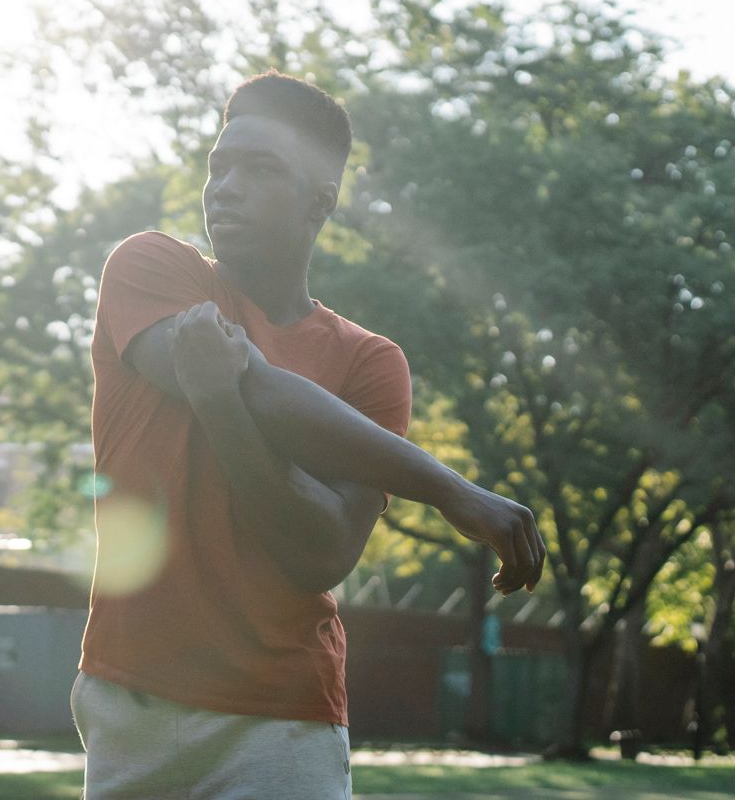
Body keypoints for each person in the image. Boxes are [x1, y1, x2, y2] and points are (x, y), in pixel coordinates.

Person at [75, 72, 545, 799]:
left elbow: (319, 553)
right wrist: (450, 490)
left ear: (319, 202)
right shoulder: (150, 266)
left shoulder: (369, 362)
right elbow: (257, 387)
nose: (226, 188)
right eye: (220, 167)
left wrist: (220, 409)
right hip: (131, 702)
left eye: (260, 170)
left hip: (282, 721)